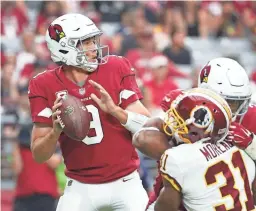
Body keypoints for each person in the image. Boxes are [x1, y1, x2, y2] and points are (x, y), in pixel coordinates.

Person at [28, 13, 149, 211]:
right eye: (85, 43)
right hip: (80, 187)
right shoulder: (43, 84)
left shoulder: (116, 67)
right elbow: (40, 155)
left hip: (126, 182)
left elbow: (147, 127)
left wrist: (115, 111)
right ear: (64, 47)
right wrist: (55, 131)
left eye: (94, 41)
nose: (94, 48)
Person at [132, 57, 256, 210]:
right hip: (181, 194)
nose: (231, 109)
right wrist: (189, 161)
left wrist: (252, 144)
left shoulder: (250, 116)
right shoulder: (187, 106)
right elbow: (143, 139)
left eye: (237, 102)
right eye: (227, 101)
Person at [153, 88, 255, 211]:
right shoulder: (239, 144)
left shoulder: (177, 157)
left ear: (201, 125)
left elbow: (163, 209)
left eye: (180, 119)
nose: (175, 122)